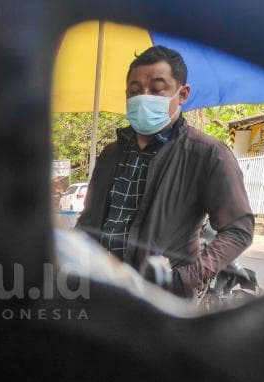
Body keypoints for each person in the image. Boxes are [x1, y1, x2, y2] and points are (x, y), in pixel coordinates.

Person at [76, 46, 254, 297]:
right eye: (135, 91)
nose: (144, 97)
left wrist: (187, 278)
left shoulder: (207, 155)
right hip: (100, 289)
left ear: (182, 94)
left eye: (157, 90)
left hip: (161, 297)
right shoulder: (110, 154)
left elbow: (238, 230)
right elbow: (88, 221)